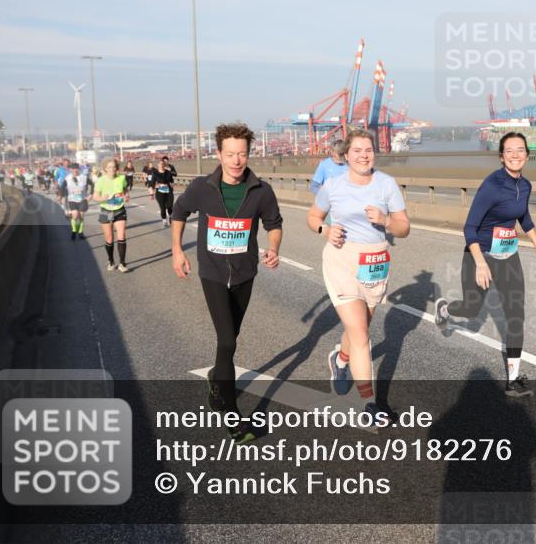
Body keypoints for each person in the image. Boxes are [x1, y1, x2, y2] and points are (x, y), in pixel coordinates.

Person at [171, 122, 283, 444]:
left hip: (245, 273)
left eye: (242, 154)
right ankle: (232, 417)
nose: (236, 160)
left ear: (249, 154)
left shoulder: (261, 190)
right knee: (228, 342)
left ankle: (215, 379)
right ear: (218, 153)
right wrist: (177, 251)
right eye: (230, 154)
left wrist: (273, 249)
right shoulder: (202, 188)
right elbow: (179, 212)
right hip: (214, 274)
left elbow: (273, 224)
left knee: (230, 337)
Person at [433, 132, 536, 397]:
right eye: (509, 151)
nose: (515, 155)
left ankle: (513, 379)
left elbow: (524, 216)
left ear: (527, 155)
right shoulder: (492, 186)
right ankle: (446, 309)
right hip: (479, 254)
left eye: (520, 150)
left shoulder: (525, 185)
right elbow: (469, 227)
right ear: (501, 156)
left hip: (508, 256)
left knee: (516, 316)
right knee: (472, 310)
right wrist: (481, 263)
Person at [306, 129, 409, 420]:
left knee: (359, 328)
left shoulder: (387, 185)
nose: (364, 155)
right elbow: (312, 217)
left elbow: (404, 228)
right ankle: (370, 403)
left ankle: (340, 358)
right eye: (358, 150)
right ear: (346, 155)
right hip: (341, 260)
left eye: (369, 150)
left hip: (375, 261)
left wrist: (387, 219)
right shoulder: (333, 186)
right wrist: (325, 230)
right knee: (361, 332)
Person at [92, 158, 130, 273]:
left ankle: (122, 263)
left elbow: (125, 189)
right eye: (109, 167)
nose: (112, 169)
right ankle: (111, 260)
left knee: (121, 236)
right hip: (106, 211)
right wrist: (103, 198)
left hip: (119, 210)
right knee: (109, 238)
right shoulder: (100, 181)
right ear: (105, 169)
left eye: (114, 167)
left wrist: (126, 196)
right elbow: (95, 197)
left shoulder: (121, 178)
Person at [63, 163, 90, 240]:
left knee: (81, 216)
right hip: (72, 199)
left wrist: (90, 195)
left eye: (76, 168)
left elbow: (92, 184)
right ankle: (74, 230)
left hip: (82, 199)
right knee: (75, 216)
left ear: (79, 169)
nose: (75, 170)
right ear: (71, 170)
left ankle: (80, 232)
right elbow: (63, 187)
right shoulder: (67, 178)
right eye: (73, 169)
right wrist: (63, 196)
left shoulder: (84, 177)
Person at [152, 158, 176, 227]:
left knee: (170, 206)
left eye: (162, 164)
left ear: (164, 165)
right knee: (162, 208)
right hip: (160, 193)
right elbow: (152, 184)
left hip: (168, 191)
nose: (161, 165)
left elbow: (171, 181)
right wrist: (158, 185)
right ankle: (164, 220)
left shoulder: (168, 172)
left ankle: (171, 217)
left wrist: (171, 185)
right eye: (160, 164)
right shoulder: (155, 173)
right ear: (158, 165)